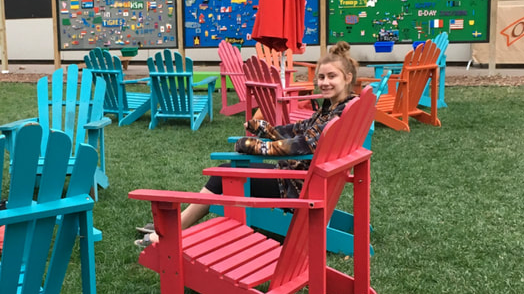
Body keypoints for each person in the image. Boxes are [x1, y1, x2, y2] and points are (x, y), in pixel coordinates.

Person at [135, 41, 359, 248]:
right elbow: (297, 129)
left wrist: (251, 145)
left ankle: (174, 229)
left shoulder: (336, 116)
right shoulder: (338, 110)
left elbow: (297, 146)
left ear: (348, 77)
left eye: (332, 76)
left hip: (295, 188)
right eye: (321, 77)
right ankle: (179, 223)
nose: (325, 82)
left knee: (225, 175)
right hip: (306, 181)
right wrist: (265, 129)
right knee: (227, 173)